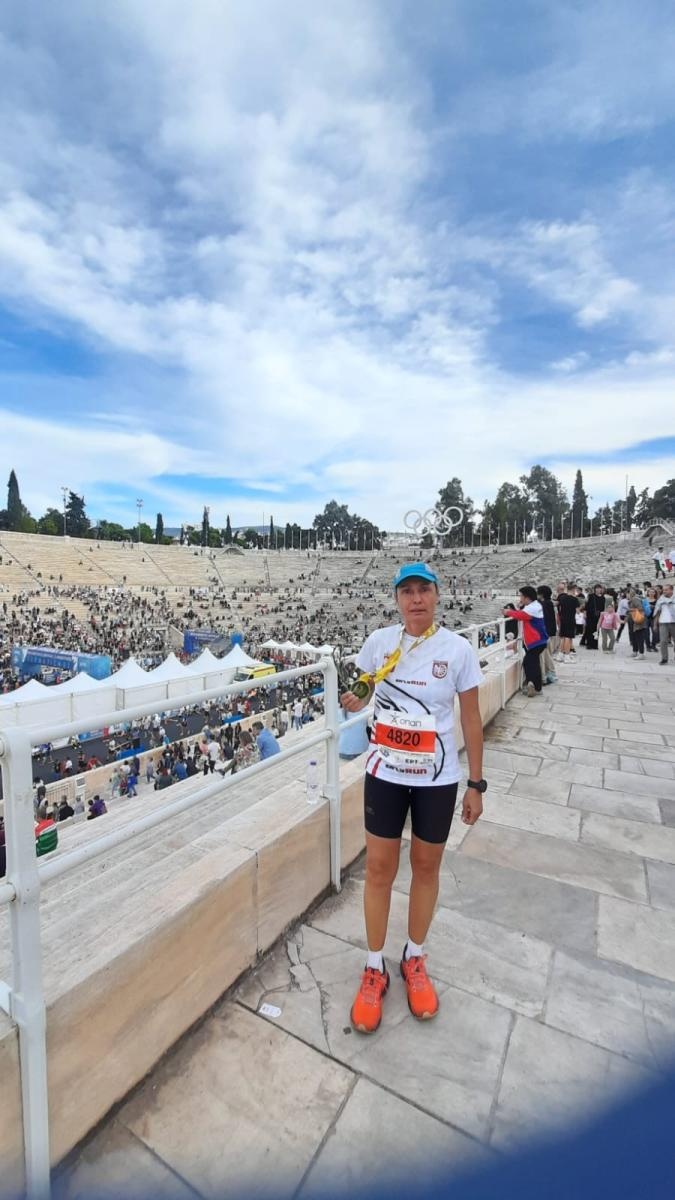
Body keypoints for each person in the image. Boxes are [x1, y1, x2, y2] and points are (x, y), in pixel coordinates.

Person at [341, 562, 485, 1034]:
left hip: (437, 778)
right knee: (380, 870)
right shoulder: (379, 643)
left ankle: (414, 957)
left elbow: (469, 719)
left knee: (426, 868)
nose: (416, 599)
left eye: (424, 590)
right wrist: (356, 699)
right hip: (385, 772)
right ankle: (374, 966)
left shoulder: (458, 650)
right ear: (397, 599)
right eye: (407, 592)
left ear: (437, 596)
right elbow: (361, 689)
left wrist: (476, 784)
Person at [503, 587, 548, 696]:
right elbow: (523, 613)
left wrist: (508, 612)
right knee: (534, 663)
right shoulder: (535, 606)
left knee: (529, 663)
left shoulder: (532, 608)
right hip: (539, 640)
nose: (520, 598)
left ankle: (532, 686)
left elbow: (521, 615)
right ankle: (536, 687)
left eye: (521, 596)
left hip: (536, 641)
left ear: (527, 597)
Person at [556, 582, 579, 661]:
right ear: (573, 589)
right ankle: (567, 656)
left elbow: (558, 606)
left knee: (563, 637)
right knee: (568, 638)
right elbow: (578, 611)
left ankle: (560, 655)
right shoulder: (574, 599)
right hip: (570, 619)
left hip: (563, 619)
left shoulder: (562, 598)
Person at [653, 583, 675, 665]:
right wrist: (655, 624)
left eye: (666, 590)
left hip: (674, 622)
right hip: (663, 623)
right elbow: (657, 612)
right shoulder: (660, 600)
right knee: (663, 641)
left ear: (671, 590)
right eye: (664, 590)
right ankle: (664, 658)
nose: (664, 591)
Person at [581, 583, 605, 650]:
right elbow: (587, 605)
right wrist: (585, 613)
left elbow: (603, 608)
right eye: (597, 588)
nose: (598, 590)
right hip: (590, 615)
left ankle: (595, 644)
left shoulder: (603, 598)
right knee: (589, 630)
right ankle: (589, 644)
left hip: (598, 616)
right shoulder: (591, 596)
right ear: (594, 589)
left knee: (596, 630)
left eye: (599, 588)